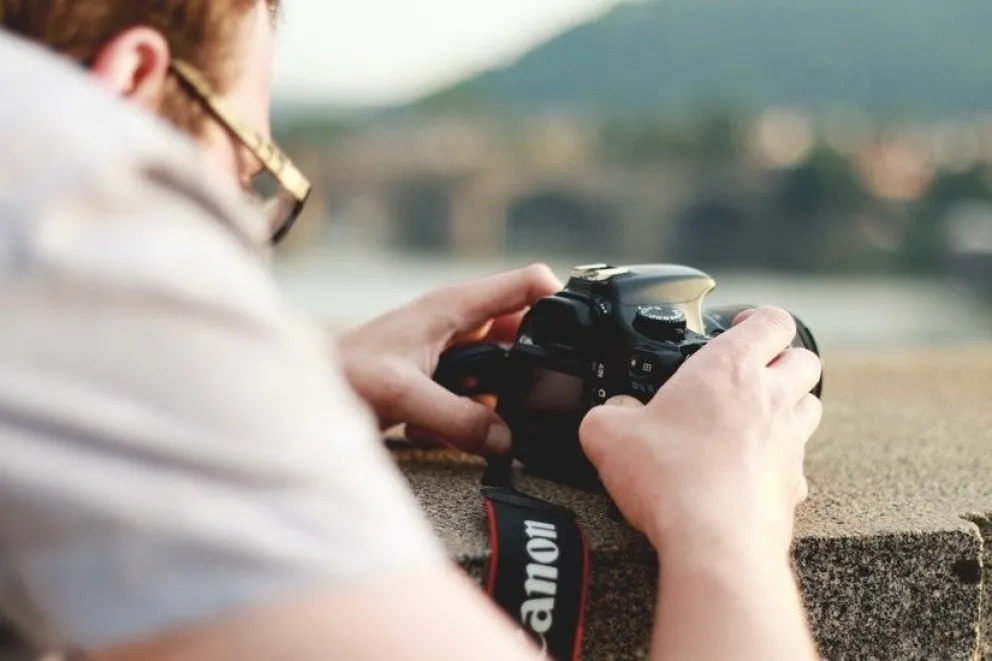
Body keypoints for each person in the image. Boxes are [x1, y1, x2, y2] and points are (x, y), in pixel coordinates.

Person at [0, 2, 823, 660]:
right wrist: (727, 528)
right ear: (129, 83)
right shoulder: (61, 193)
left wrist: (280, 397)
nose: (242, 244)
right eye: (248, 175)